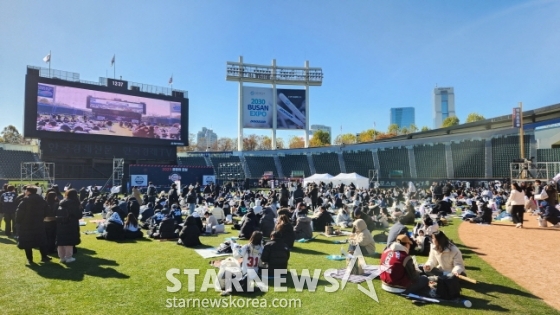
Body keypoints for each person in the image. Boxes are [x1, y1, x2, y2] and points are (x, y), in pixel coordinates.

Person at [15, 186, 51, 264]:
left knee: (27, 242)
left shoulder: (25, 201)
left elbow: (19, 213)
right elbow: (47, 211)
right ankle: (44, 257)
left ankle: (30, 259)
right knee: (41, 240)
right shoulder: (42, 200)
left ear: (28, 192)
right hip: (39, 223)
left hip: (26, 224)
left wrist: (18, 222)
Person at [56, 189, 82, 263]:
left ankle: (61, 257)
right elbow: (78, 215)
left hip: (60, 223)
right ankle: (68, 257)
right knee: (69, 241)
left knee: (61, 241)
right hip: (71, 224)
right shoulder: (74, 203)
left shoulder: (61, 202)